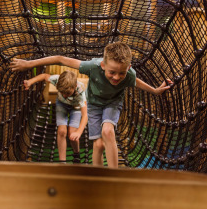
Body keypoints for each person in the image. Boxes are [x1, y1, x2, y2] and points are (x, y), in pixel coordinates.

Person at [10, 42, 172, 168]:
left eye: (121, 73)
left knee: (108, 132)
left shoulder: (129, 74)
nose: (116, 77)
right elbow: (60, 59)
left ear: (128, 68)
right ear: (103, 65)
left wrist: (156, 91)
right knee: (98, 144)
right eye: (112, 72)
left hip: (113, 103)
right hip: (94, 104)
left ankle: (114, 179)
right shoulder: (92, 67)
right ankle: (98, 175)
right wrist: (28, 64)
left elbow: (135, 81)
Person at [23, 70, 88, 163]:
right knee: (62, 131)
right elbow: (44, 76)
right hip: (61, 105)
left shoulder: (80, 90)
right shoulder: (57, 80)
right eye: (62, 92)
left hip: (76, 107)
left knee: (72, 134)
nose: (65, 95)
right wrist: (30, 82)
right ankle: (62, 161)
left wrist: (79, 132)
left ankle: (76, 154)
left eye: (67, 93)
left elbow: (85, 115)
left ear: (74, 87)